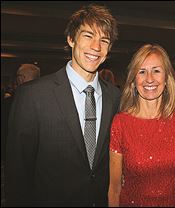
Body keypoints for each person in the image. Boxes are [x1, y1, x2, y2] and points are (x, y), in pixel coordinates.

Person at [5, 4, 120, 207]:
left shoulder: (115, 96)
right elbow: (17, 173)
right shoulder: (33, 95)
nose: (96, 46)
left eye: (104, 40)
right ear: (71, 39)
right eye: (88, 36)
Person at [108, 44, 175, 207]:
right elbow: (114, 188)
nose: (149, 79)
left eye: (156, 70)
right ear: (133, 80)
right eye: (142, 71)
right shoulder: (121, 123)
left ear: (167, 78)